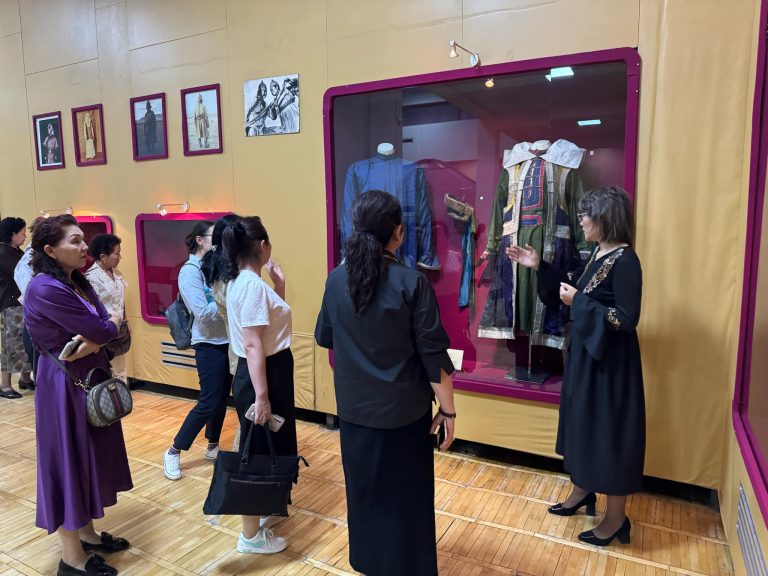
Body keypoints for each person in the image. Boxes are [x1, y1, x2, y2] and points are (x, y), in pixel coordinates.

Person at [314, 190, 457, 576]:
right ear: (398, 232)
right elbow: (434, 357)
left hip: (354, 414)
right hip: (403, 417)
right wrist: (448, 411)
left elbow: (326, 341)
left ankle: (369, 563)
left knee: (364, 495)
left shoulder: (336, 280)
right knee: (406, 499)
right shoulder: (412, 283)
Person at [507, 185, 644, 547]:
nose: (581, 220)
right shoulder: (600, 253)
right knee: (583, 423)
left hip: (611, 366)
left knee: (610, 433)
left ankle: (616, 519)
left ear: (605, 218)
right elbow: (575, 292)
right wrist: (539, 266)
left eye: (586, 215)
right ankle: (583, 491)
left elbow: (626, 319)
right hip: (588, 357)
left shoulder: (626, 261)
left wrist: (579, 301)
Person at [23, 214, 132, 576]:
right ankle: (72, 558)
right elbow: (104, 324)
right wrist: (104, 330)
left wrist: (100, 334)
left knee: (88, 457)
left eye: (83, 239)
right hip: (64, 385)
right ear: (50, 250)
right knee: (68, 462)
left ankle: (88, 534)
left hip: (87, 376)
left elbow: (105, 323)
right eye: (74, 241)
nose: (85, 246)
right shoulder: (44, 288)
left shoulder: (75, 280)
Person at [223, 216, 295, 554]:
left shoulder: (246, 281)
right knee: (255, 451)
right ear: (263, 246)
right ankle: (249, 536)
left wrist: (279, 286)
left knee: (268, 445)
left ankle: (262, 509)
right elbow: (253, 345)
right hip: (262, 374)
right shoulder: (250, 285)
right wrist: (262, 397)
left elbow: (267, 329)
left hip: (266, 371)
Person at [163, 221, 232, 480]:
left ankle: (213, 445)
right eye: (214, 236)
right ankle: (174, 450)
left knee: (222, 398)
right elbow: (201, 312)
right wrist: (227, 300)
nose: (219, 241)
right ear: (199, 240)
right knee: (208, 401)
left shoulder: (217, 265)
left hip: (227, 341)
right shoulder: (189, 272)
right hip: (207, 344)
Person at [85, 234, 128, 382]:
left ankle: (122, 394)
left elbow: (121, 300)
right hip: (104, 331)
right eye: (117, 253)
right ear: (103, 256)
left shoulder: (117, 273)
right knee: (108, 371)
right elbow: (92, 308)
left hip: (119, 330)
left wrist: (126, 321)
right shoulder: (91, 277)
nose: (119, 257)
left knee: (121, 369)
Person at [0, 217, 33, 397]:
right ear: (12, 235)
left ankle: (25, 379)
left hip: (21, 303)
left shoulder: (15, 251)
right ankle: (4, 385)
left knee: (25, 343)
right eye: (22, 233)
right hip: (11, 304)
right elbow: (20, 272)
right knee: (11, 345)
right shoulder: (3, 253)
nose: (25, 236)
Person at [15, 216, 46, 387]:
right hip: (38, 322)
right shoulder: (28, 261)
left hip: (46, 323)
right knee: (44, 375)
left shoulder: (44, 257)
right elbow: (32, 296)